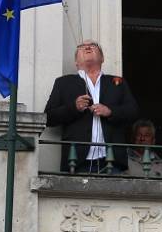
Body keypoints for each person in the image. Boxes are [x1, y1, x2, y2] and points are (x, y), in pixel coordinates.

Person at [45, 40, 140, 173]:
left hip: (112, 162)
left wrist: (110, 112)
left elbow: (134, 112)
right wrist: (74, 108)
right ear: (76, 62)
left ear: (102, 58)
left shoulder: (117, 82)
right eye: (82, 47)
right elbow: (48, 117)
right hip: (76, 162)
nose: (88, 47)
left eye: (93, 46)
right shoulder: (64, 83)